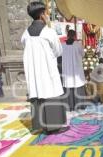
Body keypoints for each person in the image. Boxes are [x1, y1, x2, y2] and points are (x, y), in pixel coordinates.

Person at [21, 1, 68, 134]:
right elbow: (58, 51)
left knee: (37, 92)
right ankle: (54, 126)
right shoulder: (49, 32)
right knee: (50, 91)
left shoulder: (25, 34)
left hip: (34, 71)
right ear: (42, 15)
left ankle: (39, 126)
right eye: (47, 12)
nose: (48, 15)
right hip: (47, 69)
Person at [61, 29, 87, 111]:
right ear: (75, 36)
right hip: (76, 70)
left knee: (69, 85)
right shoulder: (78, 45)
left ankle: (70, 106)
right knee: (78, 84)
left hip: (67, 69)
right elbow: (83, 54)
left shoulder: (62, 45)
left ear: (67, 35)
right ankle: (79, 105)